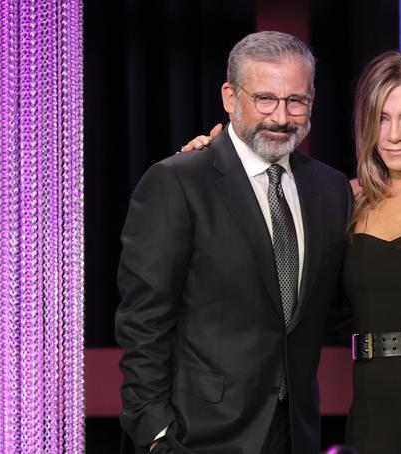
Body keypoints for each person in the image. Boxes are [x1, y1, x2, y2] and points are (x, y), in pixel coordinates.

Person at [185, 49, 401, 454]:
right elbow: (264, 226)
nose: (393, 134)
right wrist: (217, 163)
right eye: (381, 118)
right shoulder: (346, 200)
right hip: (371, 417)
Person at [115, 31, 353, 454]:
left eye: (295, 101)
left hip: (294, 434)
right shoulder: (179, 182)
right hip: (197, 435)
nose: (281, 117)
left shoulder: (331, 189)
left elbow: (336, 308)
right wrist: (155, 433)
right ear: (229, 97)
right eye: (265, 98)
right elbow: (143, 322)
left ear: (312, 101)